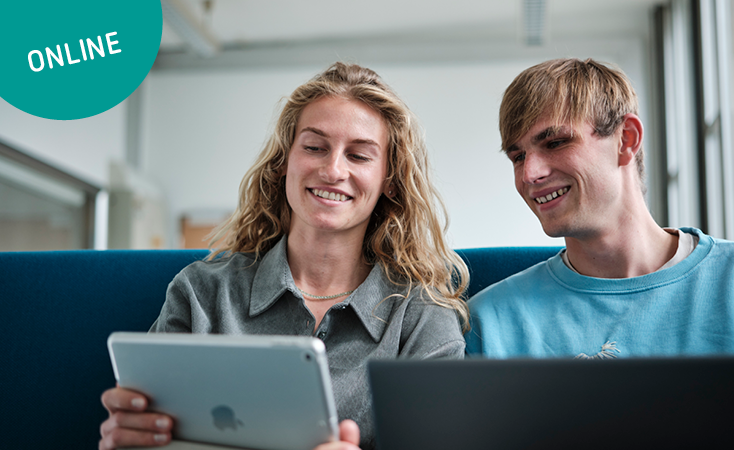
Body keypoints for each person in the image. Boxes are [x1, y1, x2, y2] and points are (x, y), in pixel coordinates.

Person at [99, 62, 470, 450]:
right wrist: (127, 441)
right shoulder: (201, 292)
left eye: (359, 156)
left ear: (389, 181)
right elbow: (150, 432)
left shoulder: (422, 315)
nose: (333, 169)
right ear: (283, 162)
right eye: (314, 147)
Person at [464, 58, 734, 447]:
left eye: (555, 142)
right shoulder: (489, 323)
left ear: (626, 139)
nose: (529, 174)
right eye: (517, 156)